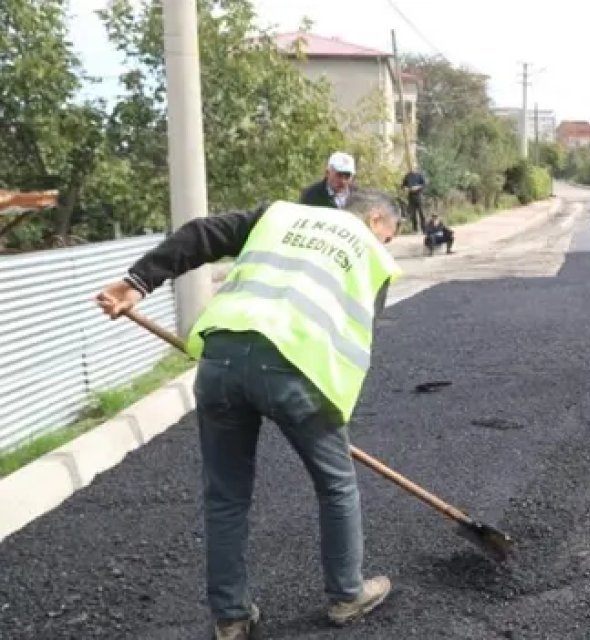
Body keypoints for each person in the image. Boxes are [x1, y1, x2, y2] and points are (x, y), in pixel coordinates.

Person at [94, 191, 405, 640]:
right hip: (299, 369)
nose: (386, 245)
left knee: (225, 496)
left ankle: (231, 617)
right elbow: (355, 341)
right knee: (336, 485)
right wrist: (329, 416)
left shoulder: (279, 216)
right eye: (389, 237)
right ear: (376, 219)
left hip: (220, 358)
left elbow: (201, 234)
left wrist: (135, 283)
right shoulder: (373, 258)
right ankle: (346, 593)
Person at [400, 164, 427, 231]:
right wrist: (405, 188)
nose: (412, 169)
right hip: (410, 196)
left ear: (416, 168)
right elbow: (403, 185)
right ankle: (415, 229)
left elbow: (424, 184)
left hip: (418, 196)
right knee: (412, 213)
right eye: (411, 167)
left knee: (421, 213)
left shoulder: (419, 175)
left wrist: (417, 187)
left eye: (413, 167)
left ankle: (424, 228)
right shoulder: (407, 176)